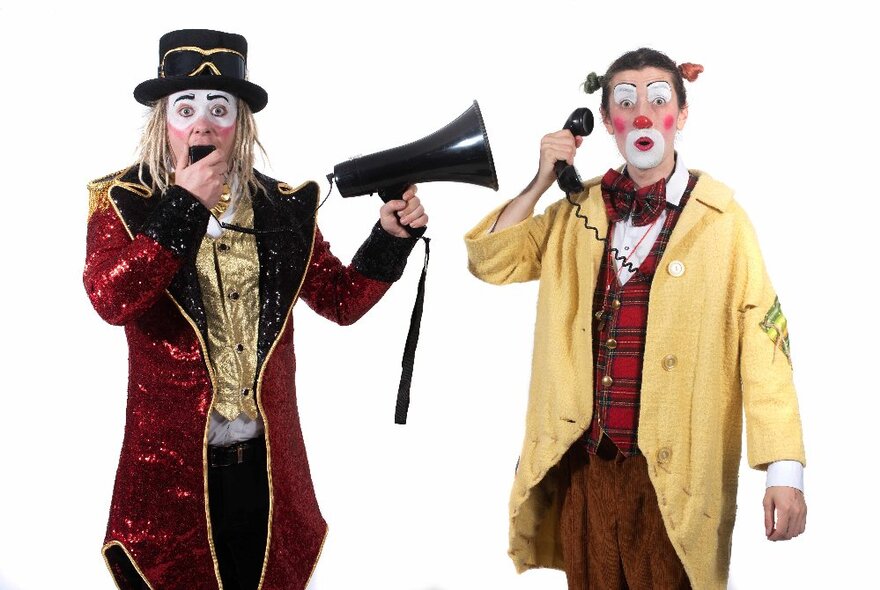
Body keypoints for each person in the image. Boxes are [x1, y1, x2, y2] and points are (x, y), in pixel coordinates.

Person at [84, 29, 427, 590]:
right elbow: (111, 298)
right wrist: (180, 209)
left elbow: (340, 301)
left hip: (266, 468)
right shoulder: (122, 203)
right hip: (170, 477)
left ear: (239, 122)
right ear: (162, 121)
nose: (201, 124)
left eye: (219, 109)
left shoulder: (281, 209)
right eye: (185, 107)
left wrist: (389, 239)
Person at [465, 48, 806, 589]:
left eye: (658, 100)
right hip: (585, 467)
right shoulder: (578, 213)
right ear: (605, 123)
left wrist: (784, 467)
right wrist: (539, 181)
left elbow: (766, 342)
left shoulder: (724, 223)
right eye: (626, 102)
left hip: (675, 477)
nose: (642, 115)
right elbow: (490, 259)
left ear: (683, 115)